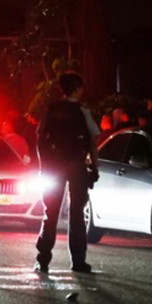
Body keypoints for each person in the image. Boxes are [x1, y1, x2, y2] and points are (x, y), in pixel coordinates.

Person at [34, 71, 100, 274]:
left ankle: (43, 259)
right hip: (76, 166)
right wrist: (94, 167)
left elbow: (40, 138)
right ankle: (78, 261)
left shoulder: (51, 109)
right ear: (77, 89)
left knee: (50, 213)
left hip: (53, 167)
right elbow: (93, 140)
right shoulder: (82, 111)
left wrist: (43, 164)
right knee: (77, 213)